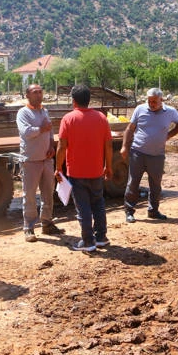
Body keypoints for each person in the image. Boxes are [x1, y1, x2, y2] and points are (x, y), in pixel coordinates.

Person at [56, 85, 114, 252]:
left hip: (76, 172)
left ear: (74, 101)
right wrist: (108, 166)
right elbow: (108, 146)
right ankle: (101, 237)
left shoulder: (68, 119)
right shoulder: (101, 118)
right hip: (96, 171)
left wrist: (58, 167)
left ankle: (88, 241)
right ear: (89, 100)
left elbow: (61, 146)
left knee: (83, 208)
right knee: (98, 204)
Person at [121, 87, 178, 222]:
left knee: (155, 184)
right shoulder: (140, 109)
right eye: (149, 101)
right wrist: (125, 146)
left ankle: (153, 211)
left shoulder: (170, 112)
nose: (151, 104)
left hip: (157, 155)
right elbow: (130, 129)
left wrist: (168, 136)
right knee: (133, 183)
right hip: (138, 153)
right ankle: (129, 211)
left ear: (161, 100)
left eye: (154, 101)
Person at [16, 84, 63, 242]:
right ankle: (29, 228)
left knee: (48, 193)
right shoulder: (23, 112)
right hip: (31, 160)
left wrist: (51, 146)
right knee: (29, 194)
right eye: (35, 92)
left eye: (40, 92)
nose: (38, 95)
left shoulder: (44, 111)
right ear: (27, 95)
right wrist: (41, 129)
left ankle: (47, 223)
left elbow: (50, 131)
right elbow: (26, 133)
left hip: (46, 159)